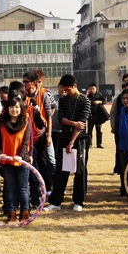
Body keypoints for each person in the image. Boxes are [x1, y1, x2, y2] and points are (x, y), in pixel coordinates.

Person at [45, 74, 90, 212]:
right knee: (60, 170)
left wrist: (72, 142)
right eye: (63, 89)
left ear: (75, 86)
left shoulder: (85, 101)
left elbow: (81, 125)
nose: (65, 92)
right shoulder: (63, 100)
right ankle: (56, 201)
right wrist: (73, 123)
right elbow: (61, 118)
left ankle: (79, 201)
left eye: (68, 89)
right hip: (64, 137)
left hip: (79, 139)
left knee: (79, 171)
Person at [0, 95, 31, 223]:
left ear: (21, 109)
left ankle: (25, 213)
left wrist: (20, 156)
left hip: (22, 160)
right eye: (11, 107)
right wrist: (0, 153)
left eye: (17, 107)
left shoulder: (26, 120)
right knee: (9, 188)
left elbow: (26, 141)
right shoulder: (1, 120)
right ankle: (11, 214)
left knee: (23, 188)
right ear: (7, 108)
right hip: (6, 160)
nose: (14, 110)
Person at [85, 84, 107, 149]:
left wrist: (99, 102)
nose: (92, 90)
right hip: (90, 116)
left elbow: (105, 101)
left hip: (98, 116)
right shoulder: (87, 96)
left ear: (96, 89)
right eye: (90, 89)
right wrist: (86, 94)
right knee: (89, 131)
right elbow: (83, 101)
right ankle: (89, 144)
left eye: (93, 89)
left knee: (99, 131)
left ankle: (99, 144)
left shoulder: (99, 95)